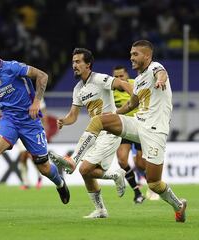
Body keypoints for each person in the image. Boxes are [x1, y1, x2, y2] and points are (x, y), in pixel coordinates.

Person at [50, 40, 187, 222]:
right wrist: (114, 114)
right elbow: (132, 104)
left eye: (135, 54)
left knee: (153, 183)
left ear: (147, 56)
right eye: (130, 54)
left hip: (155, 131)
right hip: (138, 123)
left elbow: (161, 74)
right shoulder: (138, 80)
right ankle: (73, 160)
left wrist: (161, 80)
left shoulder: (156, 67)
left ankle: (178, 205)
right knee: (99, 120)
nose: (131, 57)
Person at [0, 41, 70, 214]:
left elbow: (42, 76)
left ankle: (60, 183)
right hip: (9, 121)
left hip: (30, 122)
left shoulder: (13, 67)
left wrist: (36, 102)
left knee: (43, 167)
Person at [49, 48, 133, 219]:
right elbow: (73, 115)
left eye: (78, 62)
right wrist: (64, 121)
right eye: (73, 62)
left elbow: (123, 84)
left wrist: (137, 98)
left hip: (110, 131)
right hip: (96, 133)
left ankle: (72, 160)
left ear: (88, 64)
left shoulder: (100, 78)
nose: (74, 65)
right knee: (85, 171)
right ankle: (103, 205)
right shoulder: (78, 88)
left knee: (83, 168)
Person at [112, 65, 145, 204]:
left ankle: (149, 179)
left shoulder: (135, 85)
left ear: (127, 76)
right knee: (122, 160)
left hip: (139, 126)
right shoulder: (110, 90)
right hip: (123, 128)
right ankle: (137, 192)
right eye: (116, 77)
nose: (119, 79)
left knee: (141, 164)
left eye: (122, 76)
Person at [17, 99, 47, 190]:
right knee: (22, 157)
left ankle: (39, 177)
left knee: (32, 156)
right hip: (20, 128)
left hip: (34, 130)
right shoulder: (18, 93)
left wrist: (43, 130)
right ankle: (26, 182)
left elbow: (44, 114)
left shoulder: (37, 96)